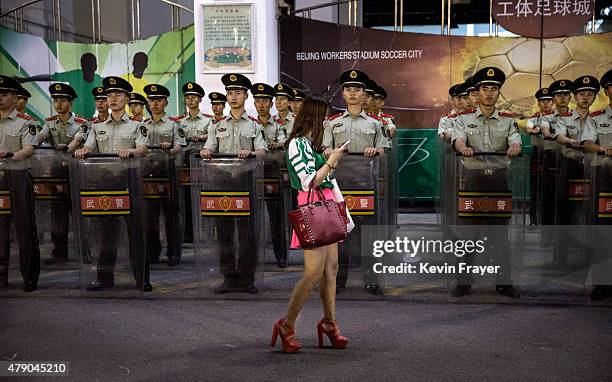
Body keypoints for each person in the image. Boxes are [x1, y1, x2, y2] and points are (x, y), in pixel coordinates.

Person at [271, 95, 349, 353]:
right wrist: (331, 161)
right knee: (313, 272)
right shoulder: (297, 144)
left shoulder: (309, 145)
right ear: (314, 117)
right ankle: (286, 325)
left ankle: (329, 323)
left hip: (326, 204)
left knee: (331, 269)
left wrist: (327, 159)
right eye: (324, 117)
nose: (326, 122)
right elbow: (309, 181)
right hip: (313, 205)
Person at [74, 76, 151, 292]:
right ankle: (104, 277)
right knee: (106, 234)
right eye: (109, 95)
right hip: (104, 182)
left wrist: (131, 151)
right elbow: (89, 146)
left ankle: (141, 278)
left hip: (129, 181)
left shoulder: (138, 125)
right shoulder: (97, 126)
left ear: (127, 98)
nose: (113, 98)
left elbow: (143, 149)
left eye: (117, 94)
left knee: (136, 232)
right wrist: (83, 151)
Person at [451, 66, 522, 298]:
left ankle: (504, 282)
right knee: (469, 234)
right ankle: (464, 281)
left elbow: (516, 142)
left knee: (500, 235)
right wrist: (464, 148)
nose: (489, 93)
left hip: (500, 182)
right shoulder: (463, 119)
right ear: (477, 92)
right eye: (485, 88)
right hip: (473, 181)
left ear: (499, 92)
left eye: (494, 88)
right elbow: (459, 141)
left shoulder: (509, 121)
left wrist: (514, 147)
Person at [200, 73, 267, 294]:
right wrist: (207, 151)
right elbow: (209, 147)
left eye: (237, 93)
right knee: (225, 233)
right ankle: (229, 277)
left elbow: (262, 151)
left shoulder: (255, 125)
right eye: (230, 93)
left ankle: (247, 278)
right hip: (222, 181)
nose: (233, 96)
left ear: (246, 96)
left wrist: (252, 153)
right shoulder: (216, 125)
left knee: (247, 233)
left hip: (246, 180)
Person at [0, 75, 40, 292]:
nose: (0, 98)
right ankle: (1, 275)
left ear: (15, 98)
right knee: (0, 228)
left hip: (17, 175)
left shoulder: (27, 122)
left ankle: (29, 276)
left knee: (24, 228)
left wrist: (10, 154)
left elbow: (29, 149)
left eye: (4, 94)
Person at [142, 83, 185, 266]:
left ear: (165, 102)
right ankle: (153, 252)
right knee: (149, 216)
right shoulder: (142, 125)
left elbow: (180, 145)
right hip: (147, 173)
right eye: (151, 100)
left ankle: (174, 253)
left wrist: (171, 148)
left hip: (168, 173)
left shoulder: (174, 125)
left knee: (171, 216)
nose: (155, 104)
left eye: (158, 100)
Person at [251, 82, 288, 268]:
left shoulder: (279, 125)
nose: (261, 105)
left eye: (265, 101)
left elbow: (283, 143)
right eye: (258, 101)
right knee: (252, 217)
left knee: (276, 217)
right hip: (252, 172)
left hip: (273, 171)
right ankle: (254, 256)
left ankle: (281, 255)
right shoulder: (249, 123)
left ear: (271, 103)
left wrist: (274, 145)